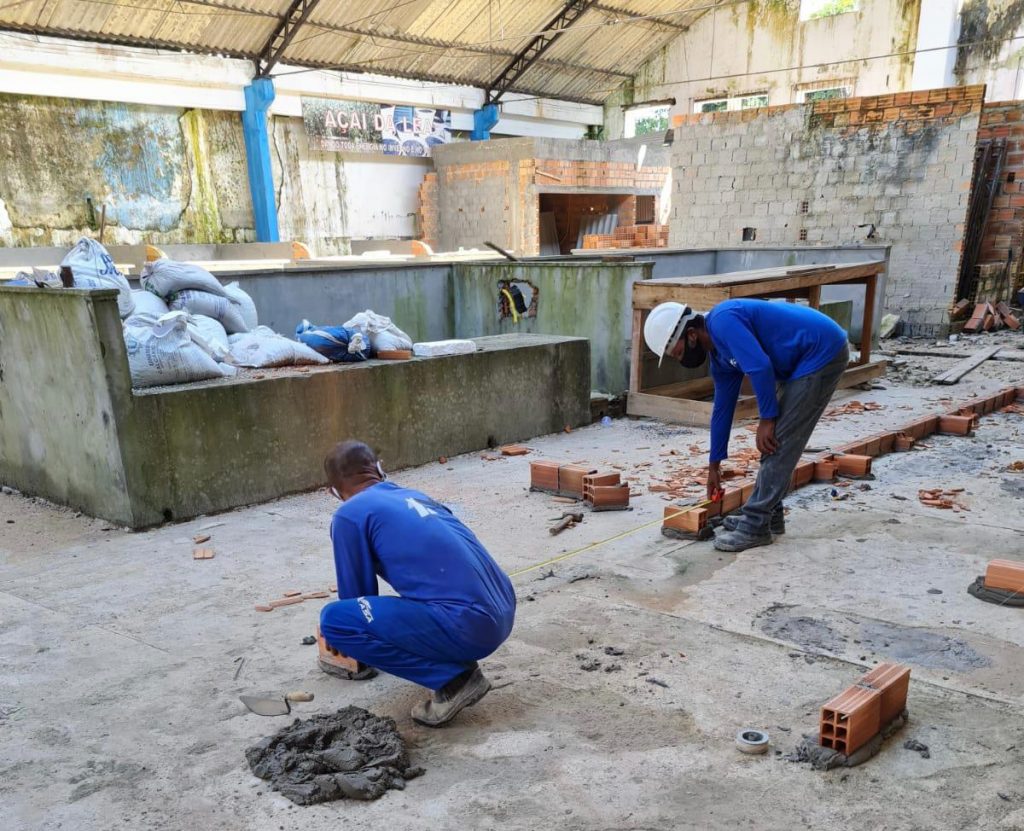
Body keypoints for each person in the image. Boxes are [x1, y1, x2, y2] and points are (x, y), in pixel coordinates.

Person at [318, 440, 516, 727]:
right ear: (379, 469)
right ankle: (452, 659)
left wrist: (344, 645)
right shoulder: (413, 496)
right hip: (503, 609)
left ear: (334, 491)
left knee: (336, 621)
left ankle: (454, 681)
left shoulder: (349, 515)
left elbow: (355, 598)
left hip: (470, 625)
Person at [644, 299, 850, 552]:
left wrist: (767, 418)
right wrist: (714, 465)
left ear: (691, 335)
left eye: (677, 353)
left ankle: (755, 525)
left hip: (821, 351)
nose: (680, 360)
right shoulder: (719, 357)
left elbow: (760, 367)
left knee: (778, 440)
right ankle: (769, 513)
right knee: (775, 439)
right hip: (799, 360)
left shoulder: (723, 320)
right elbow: (722, 410)